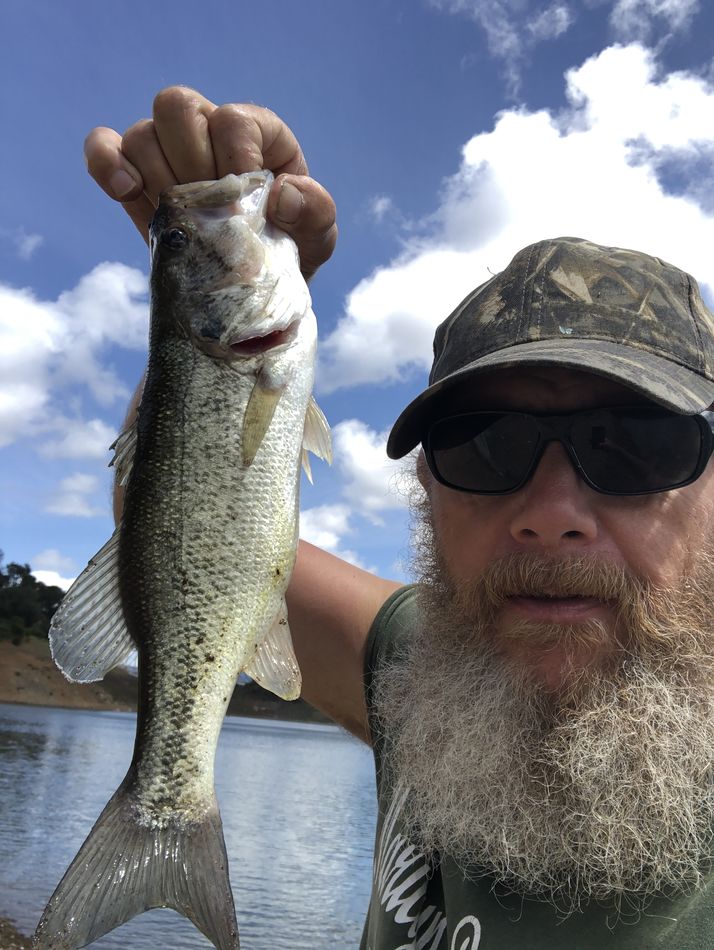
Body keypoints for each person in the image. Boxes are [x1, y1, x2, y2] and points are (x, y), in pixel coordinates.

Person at [87, 87, 714, 948]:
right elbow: (163, 523)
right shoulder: (426, 665)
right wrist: (198, 304)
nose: (553, 514)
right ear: (428, 488)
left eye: (639, 445)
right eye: (483, 445)